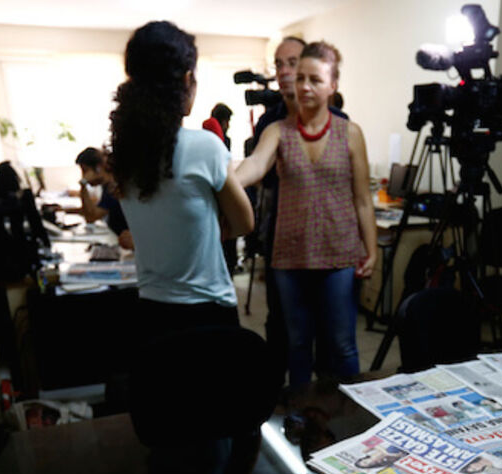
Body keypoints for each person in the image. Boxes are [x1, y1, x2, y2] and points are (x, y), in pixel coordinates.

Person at [236, 41, 376, 387]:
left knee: (342, 344)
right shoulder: (277, 131)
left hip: (339, 254)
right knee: (298, 345)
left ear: (333, 85)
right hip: (290, 256)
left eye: (315, 79)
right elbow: (256, 164)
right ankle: (301, 413)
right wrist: (224, 179)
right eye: (300, 78)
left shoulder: (350, 134)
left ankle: (350, 412)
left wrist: (371, 249)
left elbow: (362, 199)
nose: (305, 86)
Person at [107, 21, 253, 342]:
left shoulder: (123, 154)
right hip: (208, 311)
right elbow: (244, 222)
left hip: (152, 312)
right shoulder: (204, 147)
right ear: (187, 80)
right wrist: (211, 224)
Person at [75, 147, 133, 250]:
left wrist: (83, 184)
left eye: (85, 171)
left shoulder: (113, 187)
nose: (84, 175)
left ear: (98, 168)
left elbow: (91, 216)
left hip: (129, 246)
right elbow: (89, 215)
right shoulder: (107, 186)